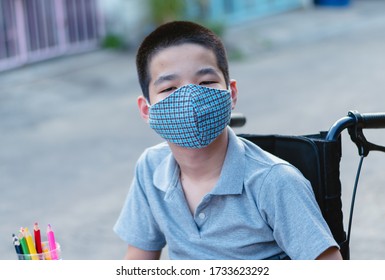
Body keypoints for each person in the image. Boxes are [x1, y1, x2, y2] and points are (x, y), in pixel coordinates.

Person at [113, 21, 342, 260]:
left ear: (231, 94)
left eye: (206, 82)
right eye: (170, 88)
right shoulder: (150, 167)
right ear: (146, 110)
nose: (190, 98)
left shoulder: (273, 182)